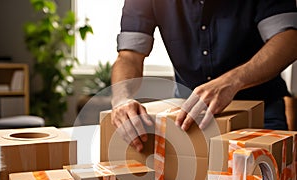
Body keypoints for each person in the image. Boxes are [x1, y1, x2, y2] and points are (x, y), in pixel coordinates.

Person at [110, 0, 297, 152]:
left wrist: (232, 81)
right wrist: (121, 98)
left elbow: (289, 39)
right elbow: (129, 56)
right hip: (190, 115)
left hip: (260, 112)